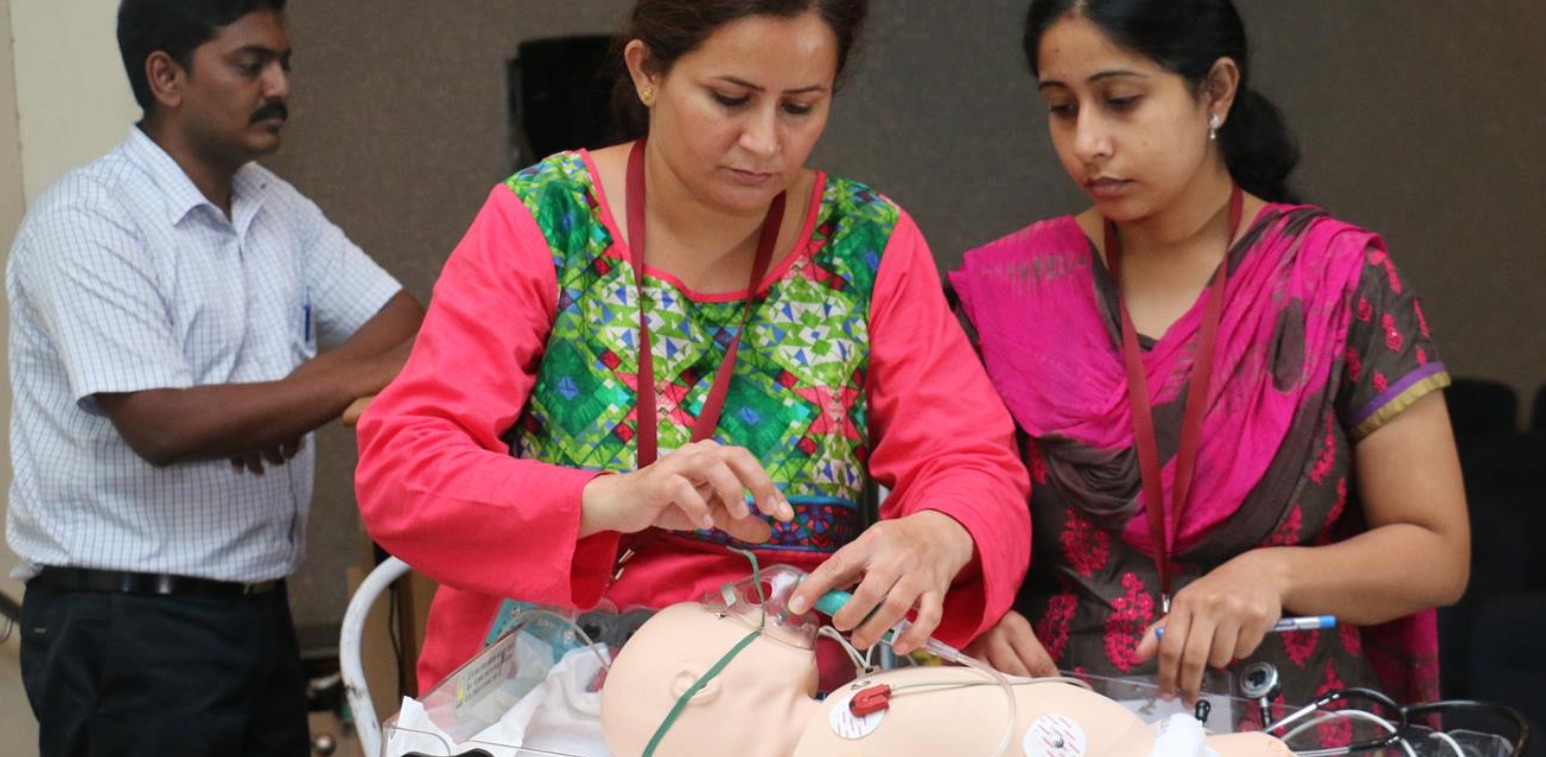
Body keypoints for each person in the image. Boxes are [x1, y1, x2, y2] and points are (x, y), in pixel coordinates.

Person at [354, 0, 1031, 692]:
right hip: (544, 696)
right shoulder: (547, 219)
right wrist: (611, 499)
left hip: (779, 703)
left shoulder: (864, 242)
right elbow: (404, 470)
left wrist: (939, 534)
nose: (765, 142)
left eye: (800, 107)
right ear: (647, 72)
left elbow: (971, 458)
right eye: (730, 99)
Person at [950, 0, 1469, 717]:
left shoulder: (1335, 280)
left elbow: (1436, 551)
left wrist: (1275, 573)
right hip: (1061, 719)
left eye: (1122, 100)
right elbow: (941, 505)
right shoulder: (1004, 296)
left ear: (1216, 91)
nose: (1088, 141)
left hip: (1290, 724)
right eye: (1061, 108)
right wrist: (969, 611)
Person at [6, 0, 423, 754]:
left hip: (256, 615)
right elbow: (162, 424)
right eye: (249, 64)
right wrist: (286, 402)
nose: (280, 86)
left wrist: (273, 405)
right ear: (166, 76)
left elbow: (402, 321)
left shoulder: (275, 206)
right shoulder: (90, 217)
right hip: (129, 629)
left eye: (284, 64)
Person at [599, 594, 1291, 756]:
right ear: (700, 683)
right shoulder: (845, 730)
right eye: (729, 612)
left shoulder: (844, 718)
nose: (758, 598)